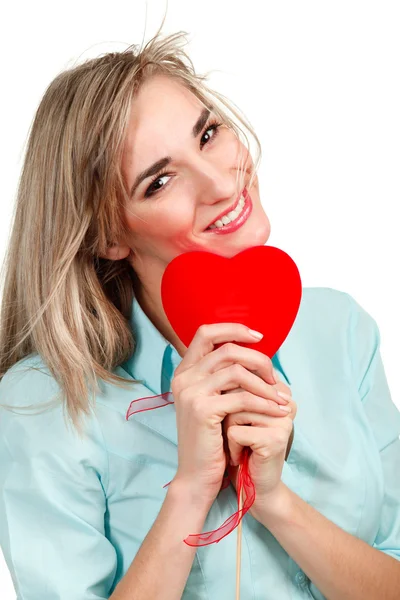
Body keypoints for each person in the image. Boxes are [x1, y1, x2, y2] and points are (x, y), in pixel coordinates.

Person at [0, 26, 400, 600]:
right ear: (110, 235)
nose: (220, 182)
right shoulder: (42, 407)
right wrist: (191, 488)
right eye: (160, 181)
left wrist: (276, 502)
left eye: (208, 134)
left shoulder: (341, 333)